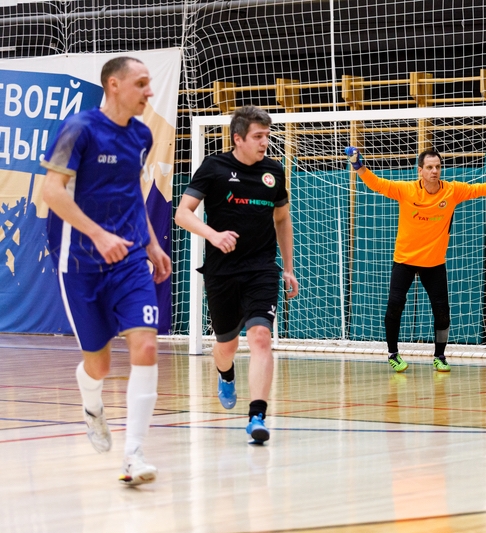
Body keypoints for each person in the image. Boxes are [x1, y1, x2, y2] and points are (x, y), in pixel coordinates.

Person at [41, 56, 172, 486]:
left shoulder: (141, 135)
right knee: (98, 365)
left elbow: (132, 192)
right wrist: (97, 235)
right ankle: (92, 403)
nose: (149, 91)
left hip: (130, 258)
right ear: (114, 85)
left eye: (150, 83)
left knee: (146, 346)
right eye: (141, 83)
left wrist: (151, 243)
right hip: (80, 261)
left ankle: (134, 454)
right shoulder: (79, 129)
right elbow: (51, 191)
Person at [345, 146, 486, 373]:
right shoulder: (406, 190)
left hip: (434, 263)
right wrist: (358, 165)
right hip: (404, 260)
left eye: (437, 167)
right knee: (395, 306)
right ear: (420, 171)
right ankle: (393, 354)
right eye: (429, 167)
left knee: (442, 311)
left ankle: (440, 356)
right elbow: (377, 183)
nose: (434, 171)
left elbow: (481, 189)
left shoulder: (452, 191)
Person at [175, 105, 298, 445]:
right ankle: (225, 373)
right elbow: (182, 214)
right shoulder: (214, 167)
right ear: (238, 139)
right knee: (226, 345)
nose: (265, 143)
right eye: (258, 137)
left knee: (260, 337)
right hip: (222, 271)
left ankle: (257, 416)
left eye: (267, 136)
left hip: (262, 268)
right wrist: (213, 235)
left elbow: (282, 219)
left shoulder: (274, 171)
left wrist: (288, 268)